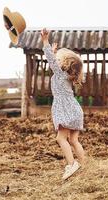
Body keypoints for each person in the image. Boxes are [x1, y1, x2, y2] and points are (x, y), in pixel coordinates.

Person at [41, 28, 85, 180]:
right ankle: (85, 167)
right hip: (75, 109)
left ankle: (72, 164)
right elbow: (53, 60)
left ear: (64, 64)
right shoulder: (68, 77)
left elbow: (50, 59)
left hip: (65, 109)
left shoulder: (60, 74)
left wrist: (45, 40)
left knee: (60, 139)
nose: (55, 61)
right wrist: (54, 52)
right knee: (73, 140)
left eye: (58, 60)